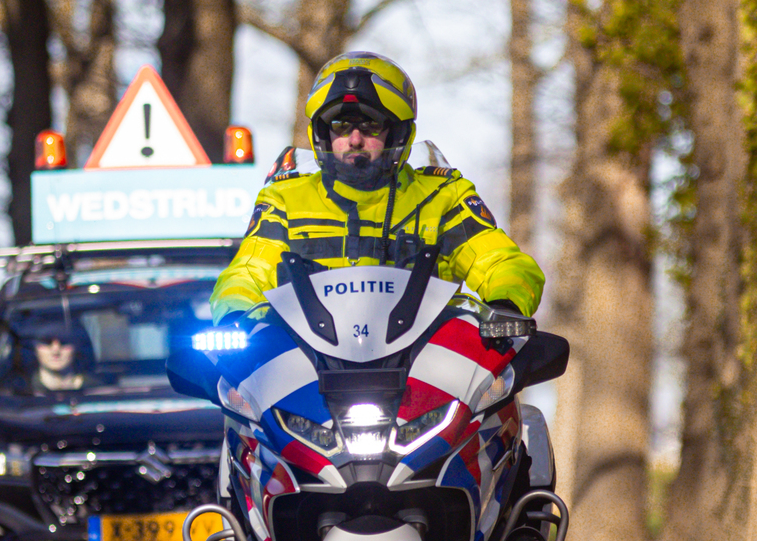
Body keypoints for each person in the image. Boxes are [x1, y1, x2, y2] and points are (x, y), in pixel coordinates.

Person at [210, 52, 544, 338]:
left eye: (370, 126)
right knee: (241, 403)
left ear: (397, 132)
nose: (354, 139)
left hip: (423, 370)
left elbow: (500, 261)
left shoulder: (442, 196)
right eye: (341, 125)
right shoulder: (285, 199)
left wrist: (506, 304)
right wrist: (233, 316)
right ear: (323, 134)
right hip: (305, 370)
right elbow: (248, 271)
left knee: (499, 405)